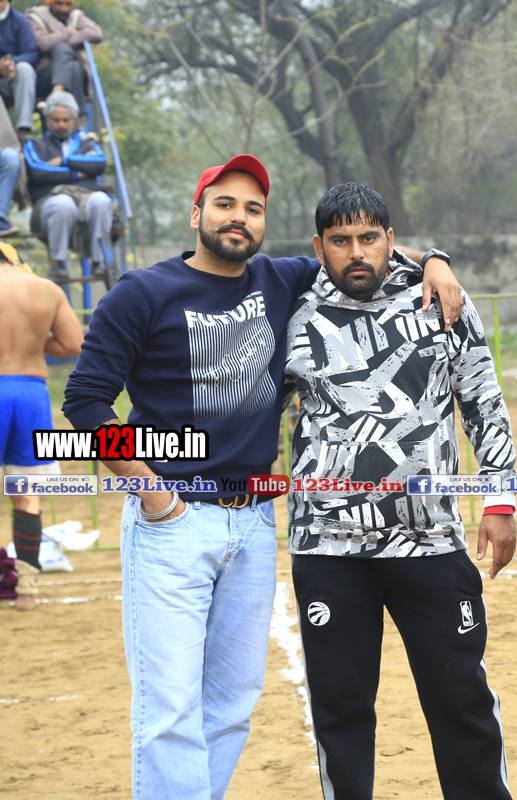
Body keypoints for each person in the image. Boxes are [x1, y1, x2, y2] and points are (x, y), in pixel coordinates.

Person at [61, 154, 462, 800]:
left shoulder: (282, 279)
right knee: (169, 712)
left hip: (252, 526)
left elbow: (364, 247)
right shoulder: (143, 293)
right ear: (197, 213)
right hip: (172, 525)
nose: (238, 218)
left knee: (231, 706)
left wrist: (435, 260)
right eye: (224, 204)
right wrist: (154, 493)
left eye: (253, 208)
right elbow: (84, 403)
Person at [285, 182, 516, 800]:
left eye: (369, 237)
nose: (356, 252)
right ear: (319, 247)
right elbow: (254, 408)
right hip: (327, 550)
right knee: (340, 711)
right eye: (340, 241)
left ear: (390, 239)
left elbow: (483, 403)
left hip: (430, 541)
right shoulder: (295, 310)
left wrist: (499, 502)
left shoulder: (439, 298)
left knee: (461, 702)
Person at [0, 240, 81, 610]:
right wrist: (33, 342)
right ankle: (27, 592)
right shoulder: (45, 288)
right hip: (31, 393)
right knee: (27, 493)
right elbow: (74, 343)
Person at [23, 90, 108, 282]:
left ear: (73, 120)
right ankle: (57, 263)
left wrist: (63, 160)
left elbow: (99, 163)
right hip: (48, 208)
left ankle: (99, 261)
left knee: (101, 200)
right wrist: (79, 173)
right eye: (56, 120)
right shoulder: (34, 144)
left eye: (65, 120)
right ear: (47, 120)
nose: (61, 125)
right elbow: (38, 172)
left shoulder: (87, 143)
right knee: (63, 203)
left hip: (84, 202)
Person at [26, 0, 103, 114]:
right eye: (59, 4)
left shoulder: (76, 16)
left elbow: (96, 33)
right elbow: (43, 44)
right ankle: (78, 117)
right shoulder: (35, 17)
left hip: (76, 72)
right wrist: (69, 32)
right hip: (45, 74)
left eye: (68, 4)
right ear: (50, 3)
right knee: (69, 59)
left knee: (70, 59)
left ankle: (57, 93)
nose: (63, 9)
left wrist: (53, 38)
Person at [0, 0, 37, 141]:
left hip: (12, 76)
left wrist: (11, 63)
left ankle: (23, 130)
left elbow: (31, 53)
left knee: (25, 69)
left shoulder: (20, 21)